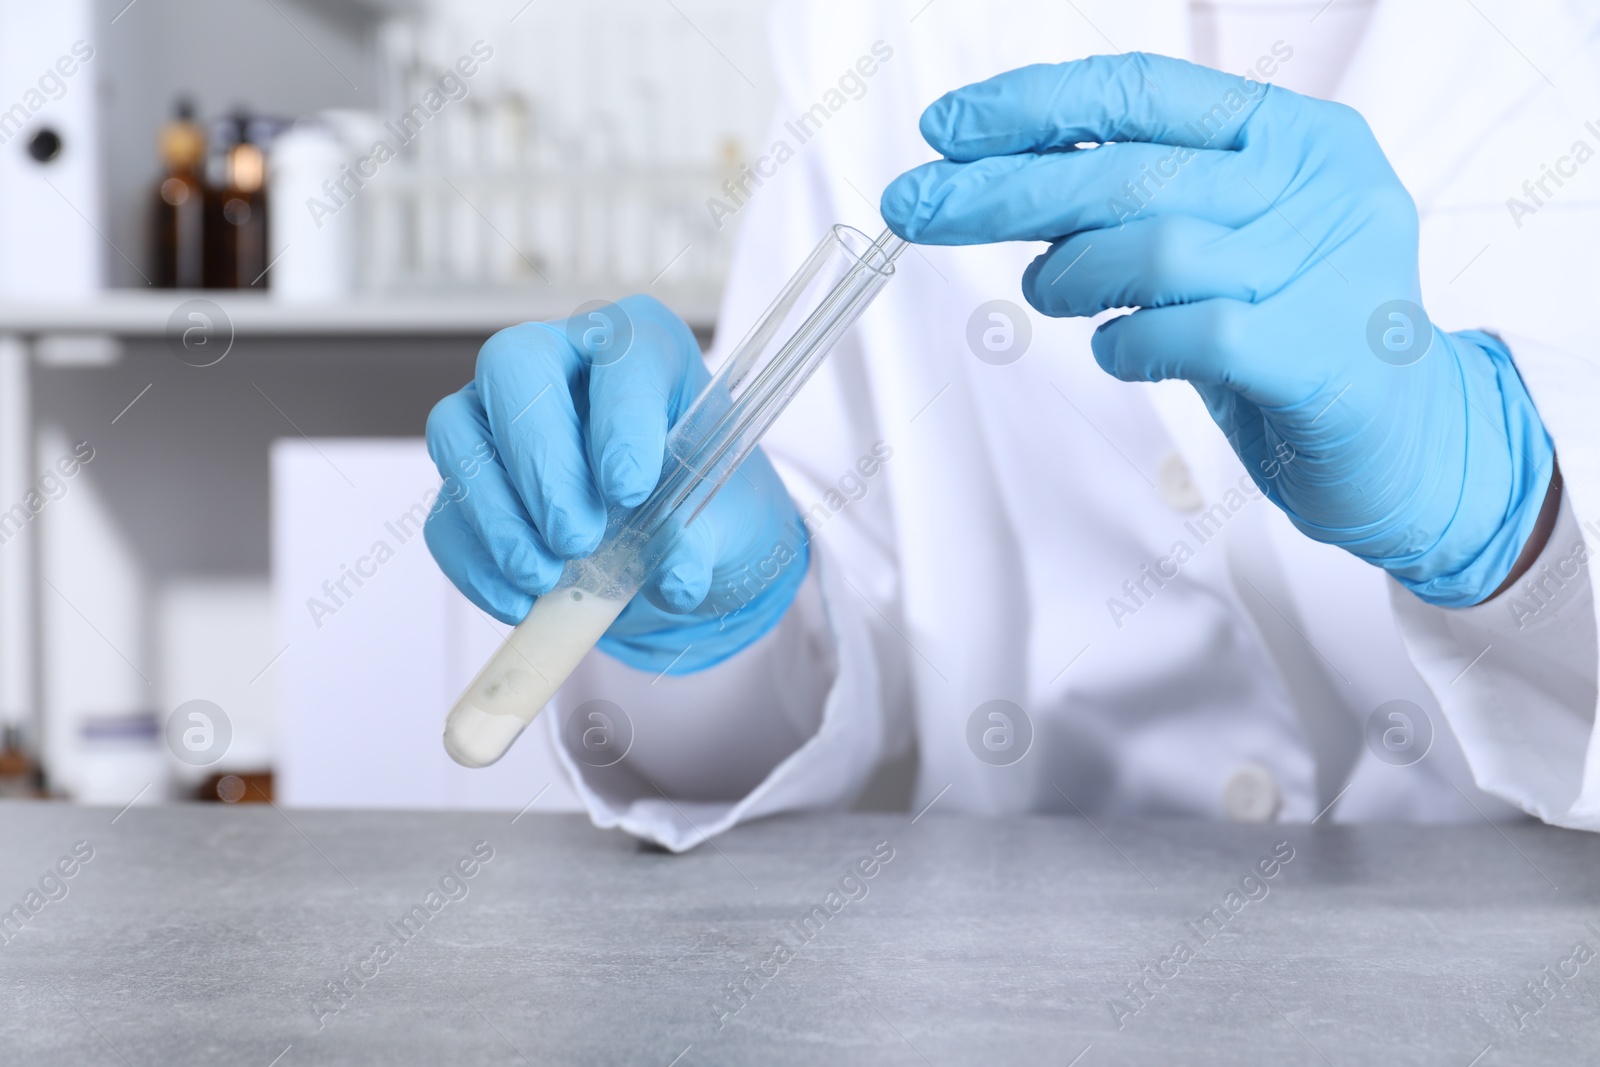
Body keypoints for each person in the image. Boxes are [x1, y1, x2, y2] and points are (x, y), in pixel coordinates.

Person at [423, 0, 1600, 850]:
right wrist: (710, 614)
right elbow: (822, 644)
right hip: (1027, 991)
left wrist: (1517, 519)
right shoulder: (878, 28)